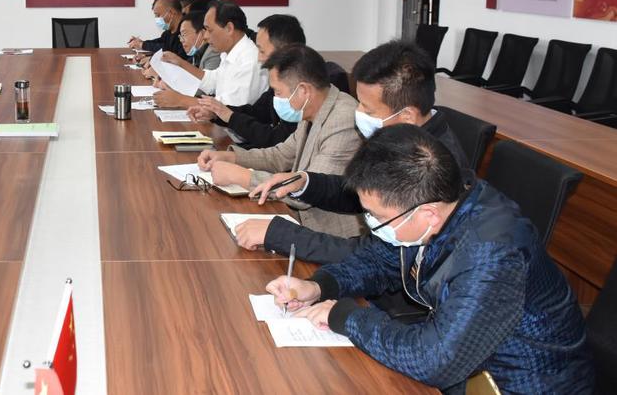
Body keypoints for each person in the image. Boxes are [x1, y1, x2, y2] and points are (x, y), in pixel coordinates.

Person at [269, 125, 594, 394]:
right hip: (471, 365)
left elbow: (436, 361)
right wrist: (319, 286)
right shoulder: (439, 200)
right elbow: (379, 260)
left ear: (427, 214)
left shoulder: (492, 253)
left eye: (375, 216)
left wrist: (347, 317)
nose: (370, 223)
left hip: (526, 383)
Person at [235, 41, 473, 263]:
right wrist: (305, 183)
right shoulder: (402, 135)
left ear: (407, 115)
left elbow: (382, 257)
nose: (357, 112)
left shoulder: (431, 166)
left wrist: (283, 236)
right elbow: (355, 192)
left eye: (368, 109)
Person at [198, 45, 363, 238]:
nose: (275, 99)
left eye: (277, 92)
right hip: (299, 219)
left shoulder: (342, 120)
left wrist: (242, 177)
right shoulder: (313, 108)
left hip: (328, 235)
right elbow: (280, 155)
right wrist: (232, 157)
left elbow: (309, 191)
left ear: (303, 90)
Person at [187, 14, 305, 148]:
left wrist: (229, 116)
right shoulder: (280, 82)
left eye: (262, 51)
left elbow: (277, 140)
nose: (259, 58)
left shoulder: (301, 90)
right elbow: (257, 112)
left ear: (285, 52)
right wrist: (217, 113)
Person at [154, 0, 266, 108]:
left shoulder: (249, 61)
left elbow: (231, 108)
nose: (205, 36)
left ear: (229, 28)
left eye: (209, 30)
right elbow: (212, 81)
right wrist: (180, 63)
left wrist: (180, 100)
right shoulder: (229, 53)